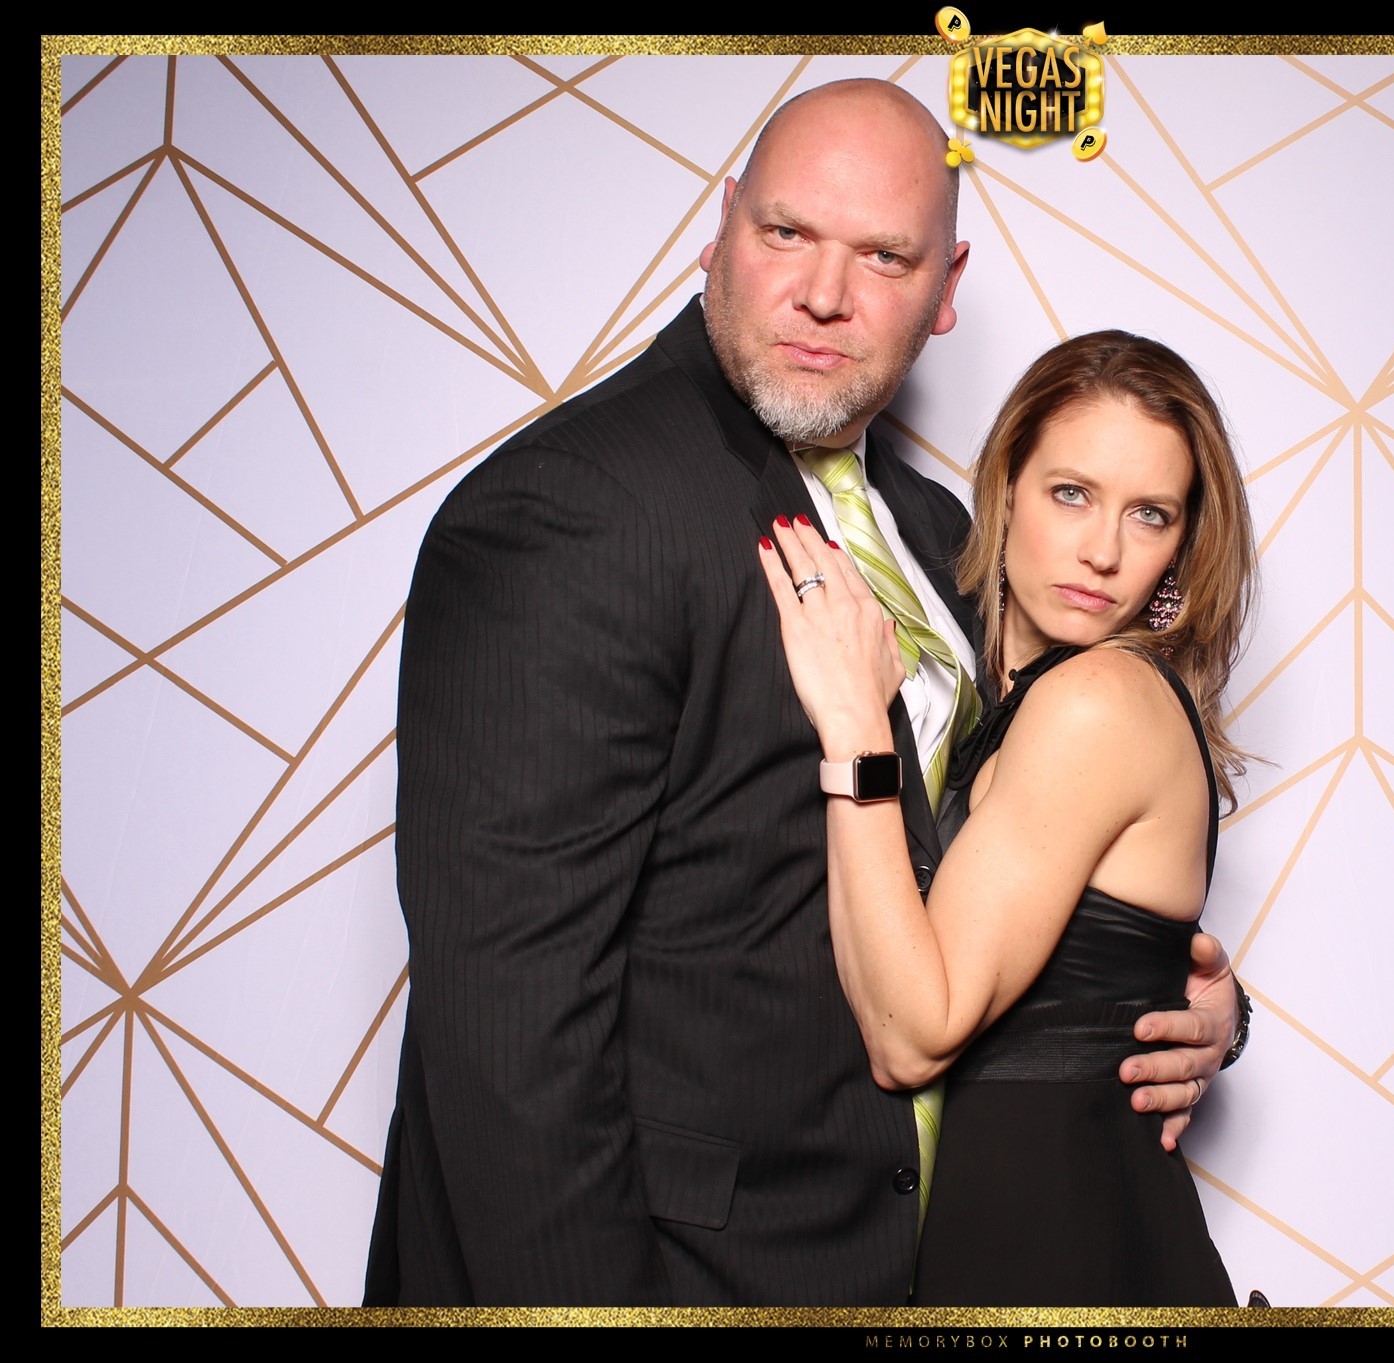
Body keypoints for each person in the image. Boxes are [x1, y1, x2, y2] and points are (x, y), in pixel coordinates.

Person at [363, 79, 1246, 1306]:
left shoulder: (946, 539)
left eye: (884, 255)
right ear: (721, 227)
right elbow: (507, 1032)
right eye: (786, 231)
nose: (824, 293)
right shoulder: (575, 506)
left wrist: (1175, 1001)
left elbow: (1014, 866)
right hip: (679, 1274)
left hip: (913, 1260)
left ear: (944, 288)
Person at [758, 330, 1256, 1304]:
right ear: (1007, 486)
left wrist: (855, 726)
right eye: (1072, 493)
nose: (1102, 551)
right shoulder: (1001, 685)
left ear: (1182, 545)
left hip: (1063, 1252)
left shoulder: (1097, 700)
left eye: (1149, 513)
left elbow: (913, 1032)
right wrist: (1215, 1009)